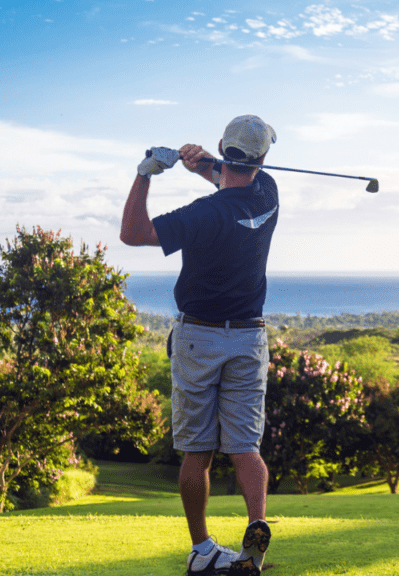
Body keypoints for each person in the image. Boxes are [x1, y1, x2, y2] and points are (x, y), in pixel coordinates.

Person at [120, 115, 279, 576]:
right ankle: (255, 534)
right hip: (249, 338)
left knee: (198, 450)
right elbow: (227, 177)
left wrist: (146, 172)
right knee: (246, 447)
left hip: (198, 339)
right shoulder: (268, 192)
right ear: (263, 159)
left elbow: (134, 233)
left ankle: (202, 549)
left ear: (222, 148)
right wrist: (199, 165)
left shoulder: (203, 215)